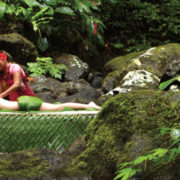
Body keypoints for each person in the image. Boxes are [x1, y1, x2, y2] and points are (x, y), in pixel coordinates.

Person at [0, 96, 101, 111]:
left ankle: (89, 105)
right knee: (59, 107)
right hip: (24, 103)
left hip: (27, 104)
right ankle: (88, 105)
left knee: (59, 107)